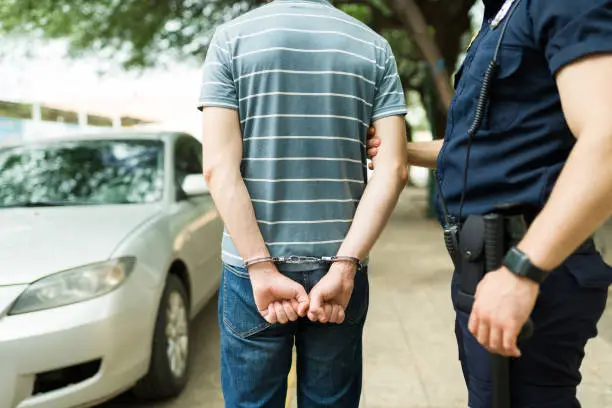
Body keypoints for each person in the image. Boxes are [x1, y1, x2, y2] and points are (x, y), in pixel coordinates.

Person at [367, 0, 612, 406]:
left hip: (526, 262)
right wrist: (402, 149)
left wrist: (522, 271)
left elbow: (606, 138)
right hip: (485, 260)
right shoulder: (500, 16)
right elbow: (480, 146)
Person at [197, 0, 409, 406]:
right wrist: (347, 265)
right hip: (339, 271)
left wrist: (259, 267)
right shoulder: (373, 46)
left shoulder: (231, 40)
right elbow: (394, 169)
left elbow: (218, 170)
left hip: (251, 274)